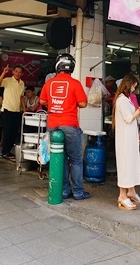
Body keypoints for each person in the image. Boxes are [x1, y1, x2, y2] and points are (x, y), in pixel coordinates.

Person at [39, 53, 90, 201]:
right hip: (70, 125)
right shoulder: (75, 83)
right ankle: (79, 192)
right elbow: (83, 104)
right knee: (75, 160)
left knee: (59, 158)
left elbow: (42, 101)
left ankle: (64, 191)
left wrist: (54, 104)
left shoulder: (49, 83)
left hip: (53, 125)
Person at [113, 73, 140, 210]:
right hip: (125, 140)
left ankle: (131, 191)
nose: (134, 89)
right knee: (125, 166)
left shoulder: (125, 99)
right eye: (133, 86)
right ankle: (122, 196)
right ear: (128, 85)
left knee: (132, 165)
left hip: (129, 138)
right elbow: (128, 118)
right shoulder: (122, 100)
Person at [0, 63, 25, 160]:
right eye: (16, 71)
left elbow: (21, 97)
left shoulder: (22, 83)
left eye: (20, 72)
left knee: (13, 132)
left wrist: (24, 110)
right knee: (7, 132)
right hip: (7, 110)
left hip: (16, 111)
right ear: (13, 72)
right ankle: (4, 152)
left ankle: (8, 151)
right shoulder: (7, 80)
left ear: (22, 74)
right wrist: (4, 73)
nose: (18, 74)